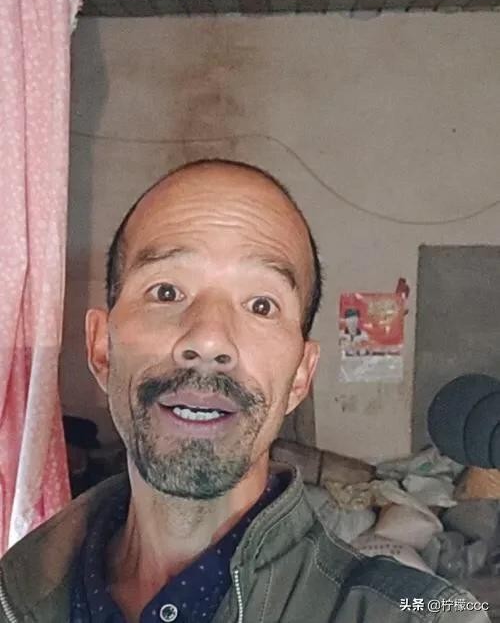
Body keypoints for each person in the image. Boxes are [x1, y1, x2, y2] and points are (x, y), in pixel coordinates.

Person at [0, 159, 489, 623]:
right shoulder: (13, 593)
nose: (209, 340)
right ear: (102, 348)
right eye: (167, 292)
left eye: (261, 305)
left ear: (300, 375)